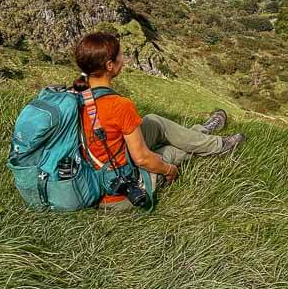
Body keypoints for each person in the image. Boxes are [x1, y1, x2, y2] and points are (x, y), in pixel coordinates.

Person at [72, 32, 244, 210]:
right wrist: (170, 170)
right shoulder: (119, 105)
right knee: (173, 151)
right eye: (120, 56)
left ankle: (204, 136)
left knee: (153, 121)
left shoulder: (75, 96)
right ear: (109, 65)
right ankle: (215, 144)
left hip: (93, 172)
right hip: (118, 192)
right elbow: (142, 159)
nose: (123, 60)